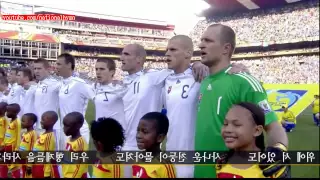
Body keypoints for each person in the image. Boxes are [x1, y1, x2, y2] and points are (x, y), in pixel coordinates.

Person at [195, 24, 289, 178]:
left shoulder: (244, 82)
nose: (200, 44)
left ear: (226, 48)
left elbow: (273, 126)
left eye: (208, 40)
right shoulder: (204, 81)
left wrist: (279, 151)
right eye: (201, 40)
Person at [216, 102, 287, 178]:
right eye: (225, 124)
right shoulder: (221, 163)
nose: (228, 130)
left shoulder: (271, 166)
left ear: (257, 130)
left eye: (236, 124)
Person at [56, 53, 94, 148]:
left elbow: (96, 99)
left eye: (59, 64)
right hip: (64, 130)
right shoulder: (61, 84)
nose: (56, 66)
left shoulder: (79, 83)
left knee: (77, 162)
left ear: (69, 65)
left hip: (78, 132)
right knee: (63, 162)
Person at [133, 112, 176, 178]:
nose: (138, 136)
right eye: (138, 130)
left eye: (145, 132)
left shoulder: (165, 165)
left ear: (160, 138)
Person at [33, 58, 61, 149]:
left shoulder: (56, 84)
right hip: (38, 126)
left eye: (39, 68)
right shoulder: (38, 84)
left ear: (48, 69)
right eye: (35, 68)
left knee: (53, 160)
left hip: (52, 128)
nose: (36, 71)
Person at [93, 58, 126, 131]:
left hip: (116, 136)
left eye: (102, 69)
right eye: (96, 69)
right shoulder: (94, 89)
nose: (98, 72)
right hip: (99, 135)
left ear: (112, 72)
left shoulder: (121, 90)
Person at [31, 111, 60, 178]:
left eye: (43, 120)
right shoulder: (43, 134)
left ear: (52, 122)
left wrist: (47, 173)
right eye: (41, 119)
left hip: (43, 167)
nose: (41, 121)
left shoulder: (49, 137)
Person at [62, 112, 88, 178]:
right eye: (64, 125)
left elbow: (80, 165)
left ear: (78, 126)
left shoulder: (80, 143)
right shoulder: (69, 139)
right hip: (67, 175)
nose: (64, 129)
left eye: (67, 126)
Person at [2, 103, 21, 178]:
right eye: (6, 111)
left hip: (13, 147)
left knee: (14, 165)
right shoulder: (11, 121)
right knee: (8, 163)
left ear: (15, 112)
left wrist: (16, 148)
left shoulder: (17, 122)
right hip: (7, 145)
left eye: (8, 111)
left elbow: (18, 136)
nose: (6, 113)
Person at [19, 113, 37, 178]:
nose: (21, 122)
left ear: (31, 122)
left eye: (23, 121)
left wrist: (29, 165)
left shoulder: (32, 135)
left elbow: (33, 150)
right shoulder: (25, 133)